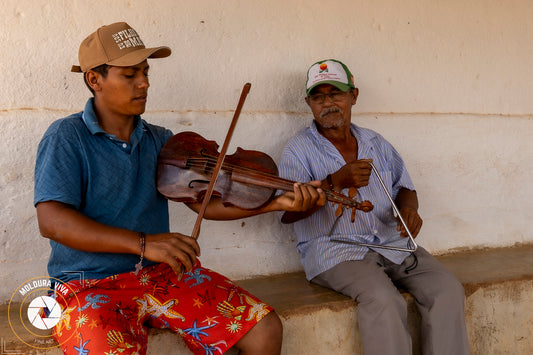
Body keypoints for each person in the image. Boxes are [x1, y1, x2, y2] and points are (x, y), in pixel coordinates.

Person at [34, 22, 324, 355]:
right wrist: (144, 244)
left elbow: (205, 204)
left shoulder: (161, 140)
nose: (143, 83)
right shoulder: (66, 137)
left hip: (161, 276)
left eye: (145, 72)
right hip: (86, 285)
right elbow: (52, 221)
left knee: (264, 328)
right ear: (94, 79)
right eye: (129, 75)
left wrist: (275, 203)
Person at [278, 59, 470, 354]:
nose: (327, 103)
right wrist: (335, 181)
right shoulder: (298, 149)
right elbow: (289, 213)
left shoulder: (375, 142)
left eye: (336, 94)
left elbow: (404, 187)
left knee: (447, 289)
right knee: (383, 299)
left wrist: (409, 210)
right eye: (318, 97)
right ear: (308, 103)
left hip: (391, 242)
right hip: (333, 251)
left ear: (353, 96)